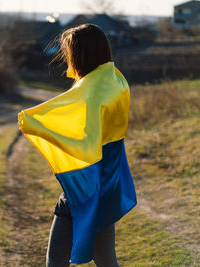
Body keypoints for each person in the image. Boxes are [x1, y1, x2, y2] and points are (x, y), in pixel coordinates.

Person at [18, 24, 137, 266]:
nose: (67, 58)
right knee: (106, 259)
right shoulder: (114, 80)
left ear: (81, 55)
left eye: (69, 52)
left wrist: (34, 124)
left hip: (86, 188)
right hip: (109, 183)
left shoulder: (90, 91)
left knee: (56, 261)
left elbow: (83, 144)